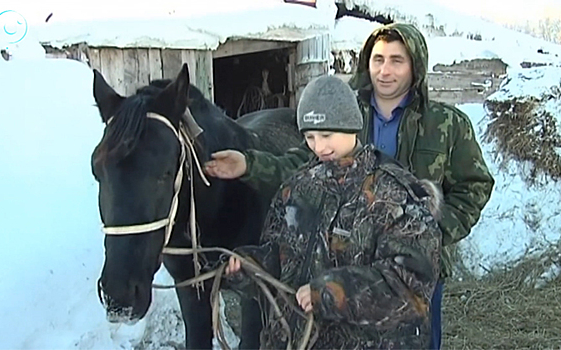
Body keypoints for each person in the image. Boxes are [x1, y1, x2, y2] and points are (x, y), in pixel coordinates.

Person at [204, 23, 495, 350]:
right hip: (334, 269)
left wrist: (434, 235)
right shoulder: (343, 111)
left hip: (405, 264)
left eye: (396, 60)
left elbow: (474, 185)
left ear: (415, 65)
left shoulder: (445, 123)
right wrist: (250, 164)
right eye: (377, 60)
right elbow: (301, 168)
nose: (385, 70)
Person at [221, 74, 442, 349]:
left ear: (352, 127)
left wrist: (333, 292)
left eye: (327, 135)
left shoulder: (394, 194)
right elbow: (282, 261)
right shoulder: (296, 188)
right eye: (310, 137)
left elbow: (411, 287)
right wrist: (251, 267)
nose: (319, 147)